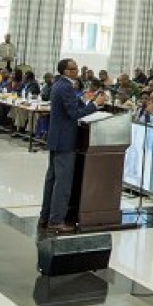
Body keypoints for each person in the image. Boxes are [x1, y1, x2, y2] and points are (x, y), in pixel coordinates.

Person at [38, 58, 105, 233]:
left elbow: (70, 105)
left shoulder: (58, 85)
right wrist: (95, 105)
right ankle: (56, 220)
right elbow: (74, 113)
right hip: (65, 140)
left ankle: (45, 217)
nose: (77, 71)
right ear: (66, 71)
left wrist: (84, 99)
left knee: (51, 179)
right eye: (73, 69)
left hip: (56, 138)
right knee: (63, 183)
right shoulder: (66, 87)